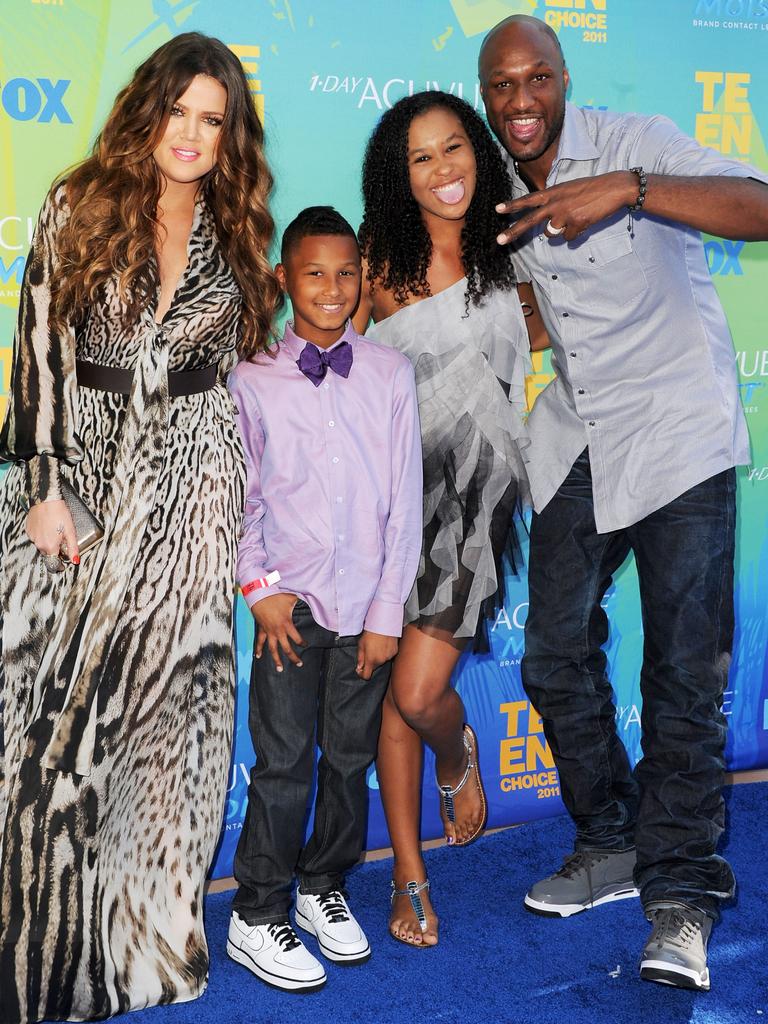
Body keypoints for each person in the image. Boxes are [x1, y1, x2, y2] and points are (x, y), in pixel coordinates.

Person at [479, 14, 768, 991]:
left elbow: (759, 205)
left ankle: (681, 894)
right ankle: (611, 839)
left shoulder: (633, 141)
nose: (519, 99)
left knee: (685, 672)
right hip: (583, 425)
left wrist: (631, 191)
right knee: (554, 649)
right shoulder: (490, 182)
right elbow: (536, 306)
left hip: (679, 418)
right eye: (501, 84)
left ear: (562, 79)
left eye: (535, 79)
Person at [0, 32, 281, 1022]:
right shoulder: (79, 203)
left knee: (169, 733)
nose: (193, 136)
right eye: (181, 113)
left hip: (193, 492)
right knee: (46, 735)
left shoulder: (234, 224)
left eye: (214, 120)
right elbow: (37, 345)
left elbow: (256, 360)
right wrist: (43, 482)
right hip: (77, 485)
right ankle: (38, 960)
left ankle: (147, 950)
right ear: (148, 110)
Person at [355, 91, 546, 947]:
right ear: (400, 176)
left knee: (419, 692)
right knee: (401, 697)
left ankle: (457, 749)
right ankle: (409, 873)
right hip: (395, 503)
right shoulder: (373, 264)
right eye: (422, 158)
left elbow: (554, 342)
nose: (444, 170)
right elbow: (324, 370)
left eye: (455, 148)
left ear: (479, 152)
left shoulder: (513, 249)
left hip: (478, 506)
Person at [226, 206, 422, 992]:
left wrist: (386, 616)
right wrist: (259, 591)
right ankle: (257, 909)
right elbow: (236, 499)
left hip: (365, 602)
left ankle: (322, 888)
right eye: (314, 273)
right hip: (291, 603)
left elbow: (404, 504)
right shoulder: (251, 376)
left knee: (348, 759)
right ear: (284, 278)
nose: (332, 289)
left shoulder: (390, 374)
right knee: (284, 764)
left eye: (347, 274)